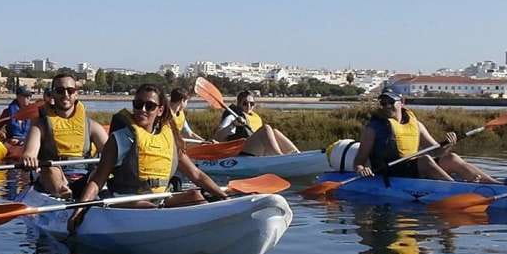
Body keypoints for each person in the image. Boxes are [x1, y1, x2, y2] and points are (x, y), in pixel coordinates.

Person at [73, 84, 227, 218]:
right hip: (128, 199)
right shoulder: (120, 138)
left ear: (160, 110)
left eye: (150, 106)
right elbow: (98, 179)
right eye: (138, 104)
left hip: (161, 198)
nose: (142, 110)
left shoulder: (169, 138)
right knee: (147, 207)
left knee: (195, 196)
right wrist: (79, 209)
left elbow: (197, 175)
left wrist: (223, 197)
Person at [353, 87, 497, 183]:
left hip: (411, 169)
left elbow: (437, 150)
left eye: (390, 102)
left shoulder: (416, 124)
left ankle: (495, 185)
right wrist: (361, 169)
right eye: (383, 103)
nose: (386, 106)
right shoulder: (373, 128)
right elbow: (359, 161)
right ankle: (456, 188)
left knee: (451, 158)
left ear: (401, 102)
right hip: (390, 171)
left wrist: (449, 143)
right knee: (425, 160)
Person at [20, 73, 109, 198]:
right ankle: (64, 196)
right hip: (53, 177)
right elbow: (30, 152)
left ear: (76, 94)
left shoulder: (92, 126)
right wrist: (29, 158)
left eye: (70, 90)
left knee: (101, 171)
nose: (66, 95)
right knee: (50, 168)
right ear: (52, 94)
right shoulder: (40, 126)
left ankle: (92, 198)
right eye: (60, 91)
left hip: (84, 179)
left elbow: (111, 153)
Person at [211, 91, 300, 156]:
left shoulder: (255, 117)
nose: (249, 106)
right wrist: (233, 124)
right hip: (240, 151)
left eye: (251, 103)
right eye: (245, 103)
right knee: (266, 128)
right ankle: (278, 156)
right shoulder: (232, 117)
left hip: (255, 149)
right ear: (239, 104)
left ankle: (296, 154)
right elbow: (217, 137)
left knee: (275, 131)